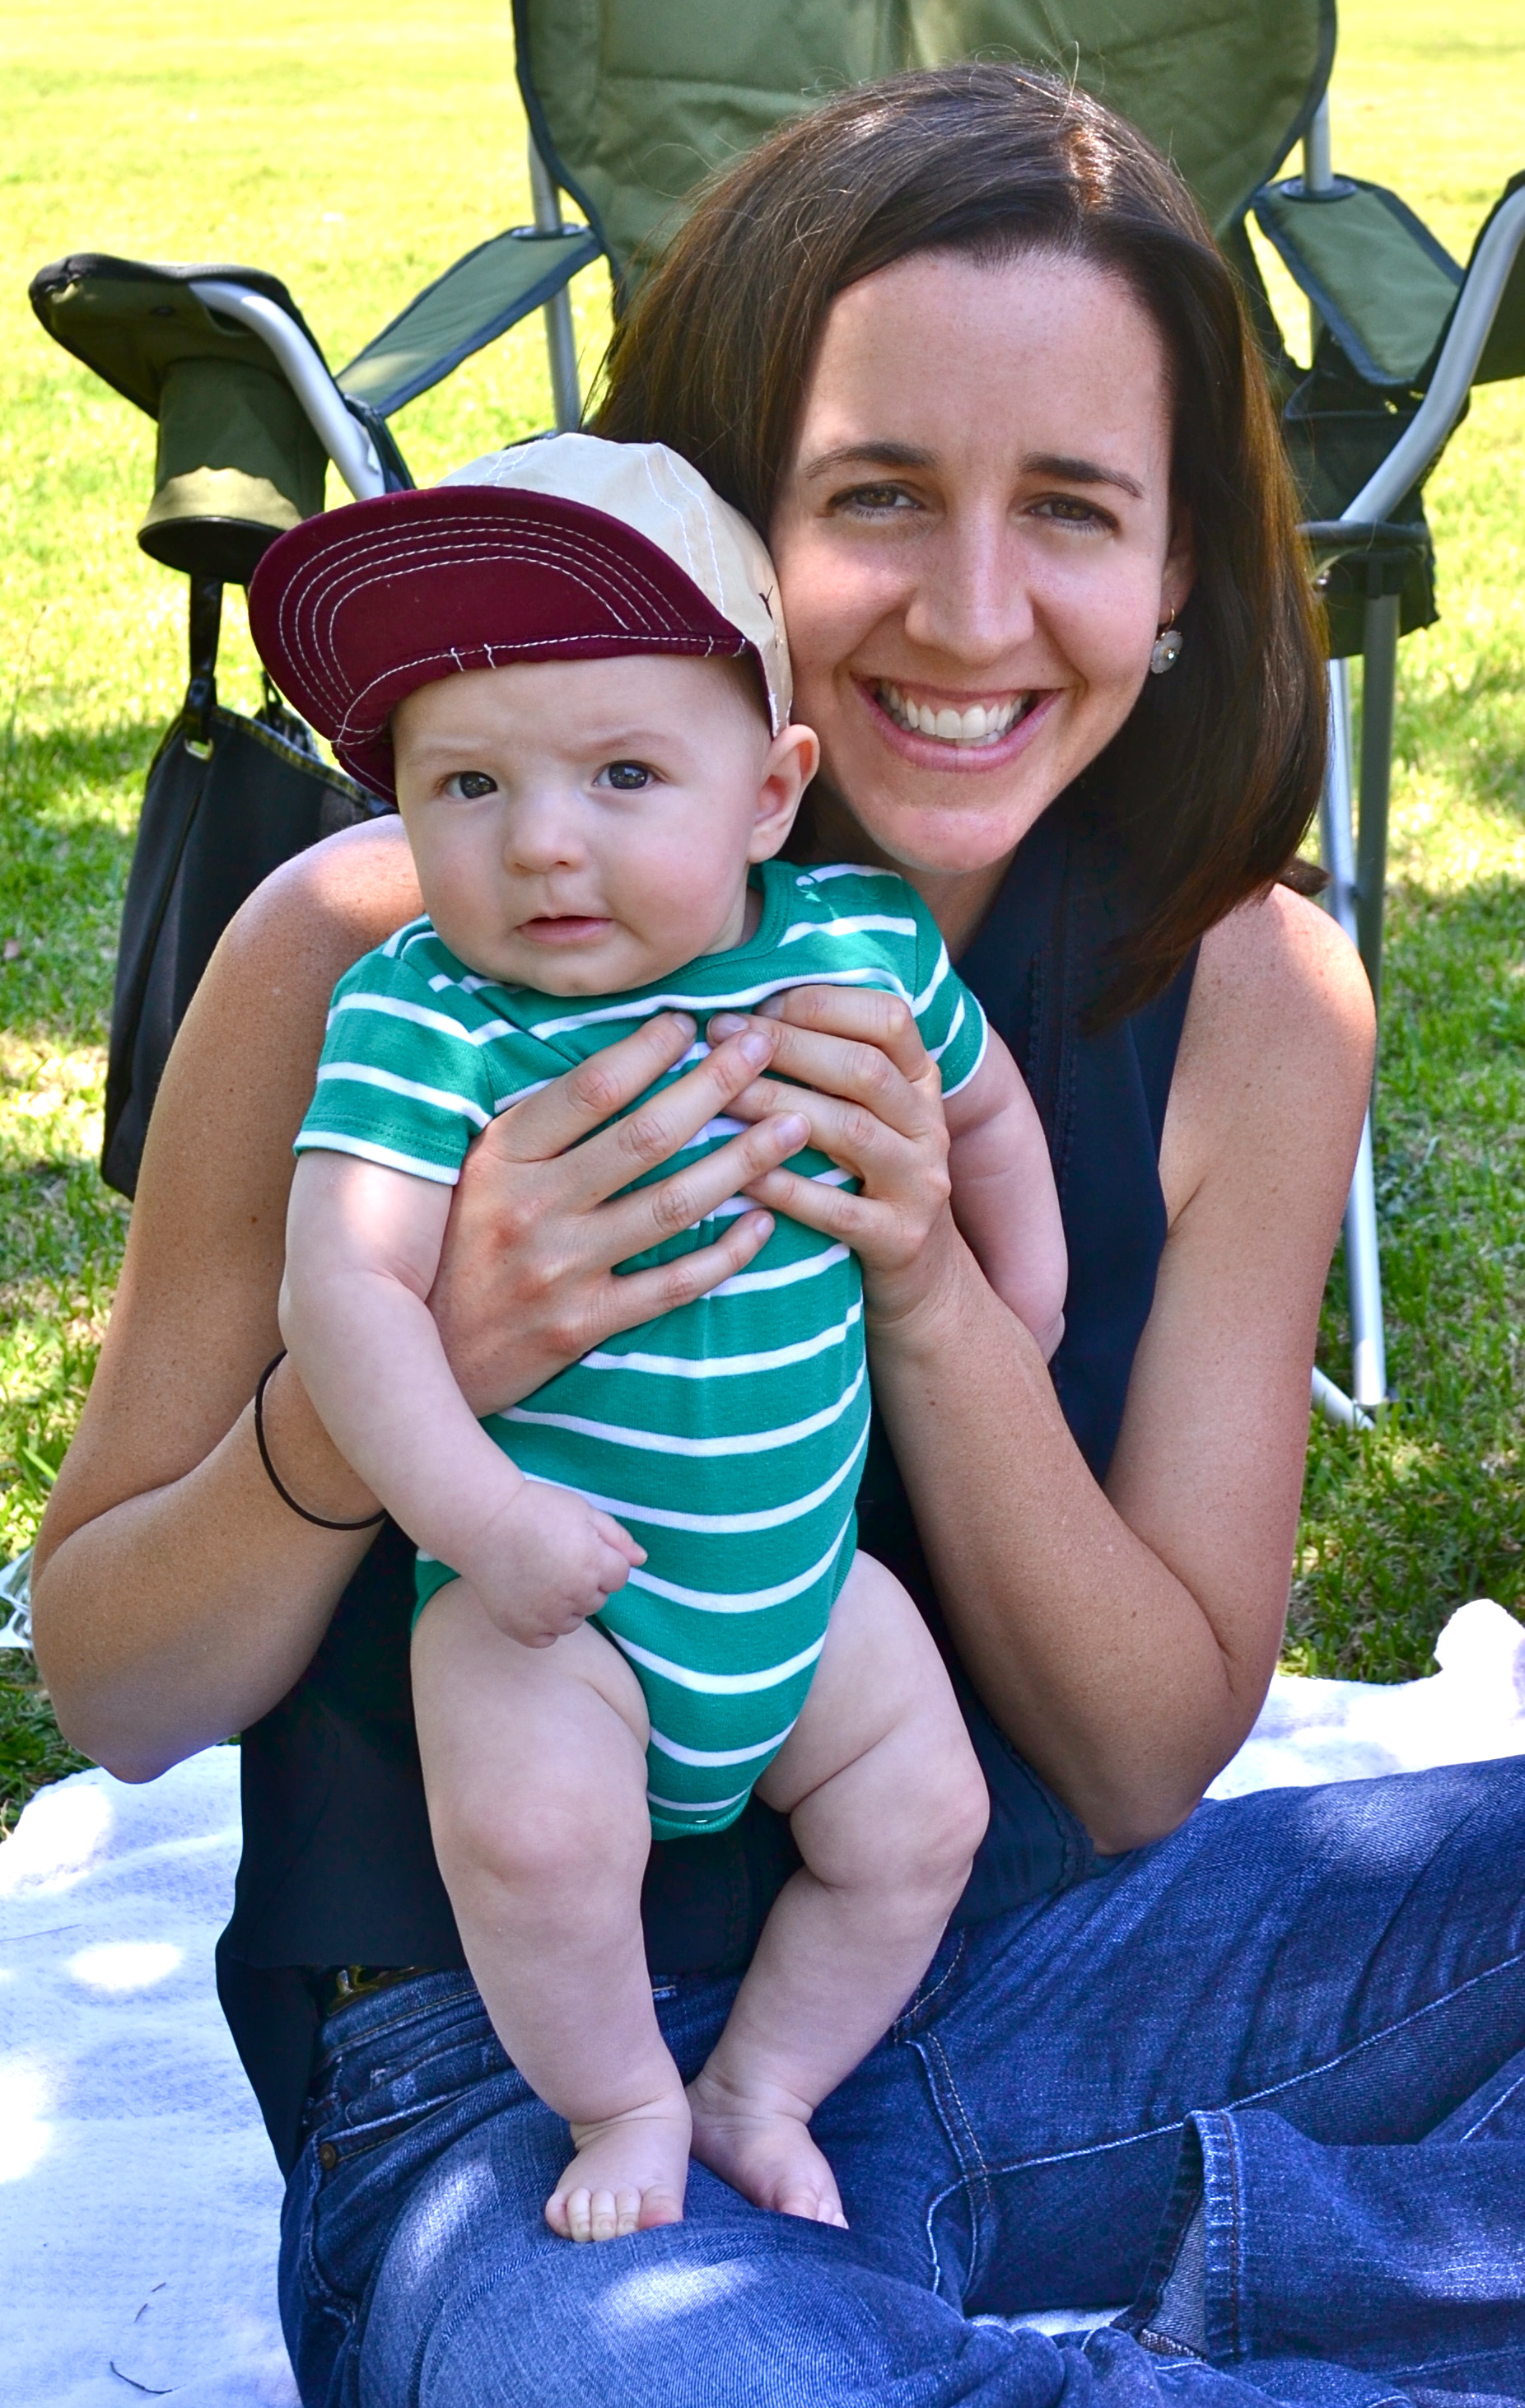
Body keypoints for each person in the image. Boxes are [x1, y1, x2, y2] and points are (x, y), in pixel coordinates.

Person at [30, 63, 1525, 2408]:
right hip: (517, 2098)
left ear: (1180, 567)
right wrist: (402, 1381)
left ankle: (1234, 2290)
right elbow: (113, 1684)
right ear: (718, 536)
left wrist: (933, 1284)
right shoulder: (370, 947)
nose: (971, 612)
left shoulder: (1251, 998)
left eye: (1070, 506)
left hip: (1036, 1977)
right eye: (874, 495)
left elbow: (1140, 1760)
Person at [259, 432, 1061, 2241]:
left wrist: (1020, 1298)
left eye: (623, 773)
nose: (542, 841)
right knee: (537, 1844)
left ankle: (763, 2086)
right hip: (554, 1609)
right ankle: (621, 2098)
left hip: (803, 1594)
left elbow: (987, 1112)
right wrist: (480, 1518)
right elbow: (347, 1292)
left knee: (918, 1820)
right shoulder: (425, 1018)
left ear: (770, 792)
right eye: (467, 785)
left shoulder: (856, 948)